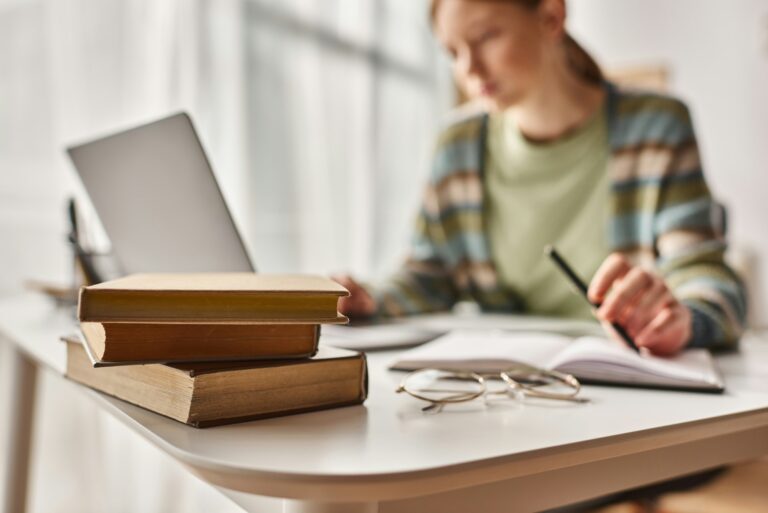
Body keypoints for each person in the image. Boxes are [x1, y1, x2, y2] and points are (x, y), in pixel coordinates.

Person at [335, 0, 747, 356]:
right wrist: (371, 298)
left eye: (484, 38)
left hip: (629, 386)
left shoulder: (658, 127)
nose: (469, 68)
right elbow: (428, 277)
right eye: (453, 52)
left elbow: (706, 281)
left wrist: (683, 320)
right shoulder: (455, 145)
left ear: (551, 16)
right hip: (507, 393)